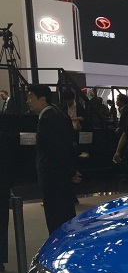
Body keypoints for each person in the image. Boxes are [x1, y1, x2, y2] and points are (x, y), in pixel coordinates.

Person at [26, 84, 81, 234]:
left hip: (53, 177)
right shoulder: (60, 114)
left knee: (56, 218)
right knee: (66, 217)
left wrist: (70, 171)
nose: (28, 101)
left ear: (42, 99)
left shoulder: (47, 119)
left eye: (31, 97)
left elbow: (55, 150)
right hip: (61, 176)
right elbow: (69, 144)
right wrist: (72, 170)